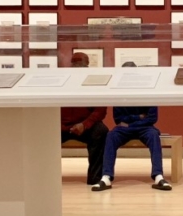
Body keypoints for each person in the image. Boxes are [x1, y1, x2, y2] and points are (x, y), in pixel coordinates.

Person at [93, 63, 172, 192]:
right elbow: (118, 118)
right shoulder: (118, 92)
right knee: (111, 135)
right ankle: (106, 177)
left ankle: (158, 176)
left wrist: (130, 122)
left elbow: (152, 117)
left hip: (144, 128)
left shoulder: (149, 90)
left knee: (153, 135)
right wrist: (140, 117)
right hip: (127, 128)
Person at [62, 52, 108, 186]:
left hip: (85, 127)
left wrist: (85, 124)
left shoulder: (94, 83)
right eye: (75, 62)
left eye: (80, 62)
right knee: (43, 133)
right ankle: (43, 176)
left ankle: (95, 178)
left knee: (101, 131)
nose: (77, 65)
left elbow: (100, 110)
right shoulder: (63, 81)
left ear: (87, 64)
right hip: (61, 127)